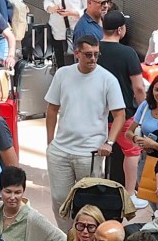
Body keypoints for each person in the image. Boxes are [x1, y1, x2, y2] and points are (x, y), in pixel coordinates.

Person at [42, 35, 126, 223]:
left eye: (97, 54)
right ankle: (66, 239)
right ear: (77, 53)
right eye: (88, 55)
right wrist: (50, 142)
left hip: (89, 152)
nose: (93, 59)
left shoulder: (107, 79)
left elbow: (120, 115)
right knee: (59, 200)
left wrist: (109, 142)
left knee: (89, 203)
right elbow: (52, 109)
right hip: (61, 150)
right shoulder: (63, 74)